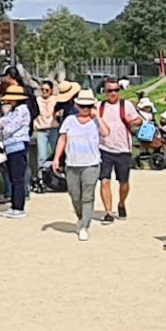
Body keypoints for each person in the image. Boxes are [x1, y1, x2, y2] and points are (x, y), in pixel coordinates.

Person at [93, 77, 142, 224]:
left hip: (123, 149)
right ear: (105, 92)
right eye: (110, 91)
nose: (113, 93)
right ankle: (108, 211)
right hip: (104, 148)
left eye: (116, 90)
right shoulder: (99, 106)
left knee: (124, 182)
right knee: (104, 181)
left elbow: (139, 120)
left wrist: (132, 121)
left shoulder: (126, 105)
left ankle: (121, 203)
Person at [57, 94, 105, 237]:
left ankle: (85, 225)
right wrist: (56, 158)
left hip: (91, 163)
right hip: (72, 163)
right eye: (83, 106)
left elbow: (106, 133)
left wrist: (98, 117)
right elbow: (62, 139)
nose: (85, 109)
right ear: (77, 106)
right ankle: (81, 217)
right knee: (74, 195)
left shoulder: (96, 121)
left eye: (89, 106)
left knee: (88, 196)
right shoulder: (70, 120)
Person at [0, 86, 34, 213]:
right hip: (10, 146)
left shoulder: (22, 110)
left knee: (18, 178)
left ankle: (19, 206)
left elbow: (9, 128)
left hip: (18, 145)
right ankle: (14, 205)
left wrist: (3, 127)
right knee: (12, 177)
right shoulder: (13, 111)